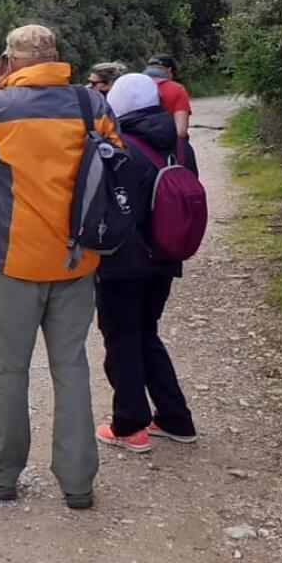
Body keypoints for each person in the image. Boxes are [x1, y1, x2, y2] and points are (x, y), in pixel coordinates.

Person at [0, 24, 120, 510]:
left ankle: (2, 475)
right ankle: (78, 484)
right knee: (71, 367)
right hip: (77, 259)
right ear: (56, 57)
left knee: (10, 369)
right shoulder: (92, 105)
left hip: (13, 263)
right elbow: (116, 161)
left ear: (10, 62)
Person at [94, 72, 199, 452]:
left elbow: (108, 207)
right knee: (146, 333)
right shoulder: (181, 145)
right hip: (166, 256)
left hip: (123, 263)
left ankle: (129, 425)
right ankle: (175, 418)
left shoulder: (118, 146)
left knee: (121, 339)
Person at [144, 53, 192, 139]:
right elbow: (181, 132)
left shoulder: (131, 87)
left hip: (135, 147)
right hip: (166, 147)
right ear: (169, 70)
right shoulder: (177, 89)